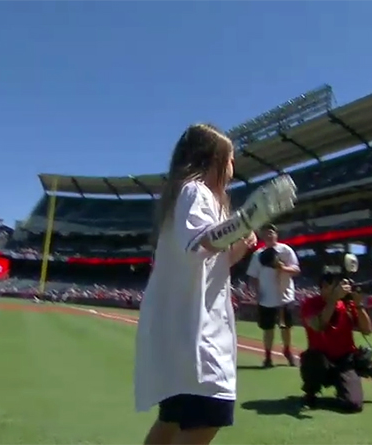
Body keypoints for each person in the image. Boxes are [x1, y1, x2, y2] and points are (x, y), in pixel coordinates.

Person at [133, 124, 297, 445]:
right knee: (210, 413)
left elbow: (209, 260)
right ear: (212, 160)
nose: (234, 168)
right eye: (231, 159)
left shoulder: (186, 195)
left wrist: (242, 241)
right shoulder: (195, 191)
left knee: (173, 419)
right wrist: (246, 220)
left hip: (181, 333)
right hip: (196, 335)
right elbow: (204, 242)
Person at [298, 266, 372, 413]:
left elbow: (367, 330)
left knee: (354, 405)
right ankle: (311, 391)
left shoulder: (347, 305)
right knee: (312, 358)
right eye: (339, 285)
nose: (344, 288)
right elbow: (318, 326)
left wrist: (359, 305)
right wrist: (333, 300)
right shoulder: (310, 304)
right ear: (325, 286)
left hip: (344, 361)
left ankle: (340, 391)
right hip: (321, 361)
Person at [246, 224, 300, 367]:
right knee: (268, 328)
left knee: (286, 327)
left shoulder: (286, 250)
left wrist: (283, 268)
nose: (269, 235)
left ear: (276, 234)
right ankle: (268, 356)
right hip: (266, 299)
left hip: (285, 296)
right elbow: (253, 276)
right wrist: (256, 293)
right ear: (262, 236)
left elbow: (296, 269)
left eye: (271, 232)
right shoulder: (258, 254)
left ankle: (287, 351)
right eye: (266, 233)